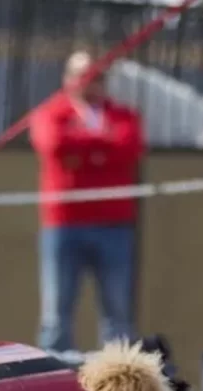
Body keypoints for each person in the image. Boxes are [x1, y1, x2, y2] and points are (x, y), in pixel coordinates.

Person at [30, 50, 144, 353]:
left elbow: (127, 147)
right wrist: (100, 146)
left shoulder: (123, 115)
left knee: (117, 313)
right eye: (83, 75)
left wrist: (81, 149)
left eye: (97, 76)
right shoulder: (51, 113)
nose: (91, 83)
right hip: (64, 225)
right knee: (56, 314)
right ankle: (53, 381)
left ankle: (118, 383)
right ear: (68, 79)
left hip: (115, 225)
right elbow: (53, 145)